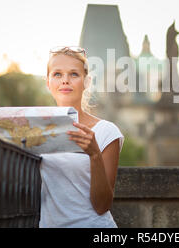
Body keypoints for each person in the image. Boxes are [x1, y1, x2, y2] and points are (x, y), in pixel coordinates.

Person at [39, 46, 124, 228]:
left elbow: (102, 205)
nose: (65, 81)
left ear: (86, 82)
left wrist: (95, 155)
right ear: (48, 83)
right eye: (57, 74)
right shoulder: (36, 130)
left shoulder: (106, 132)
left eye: (74, 74)